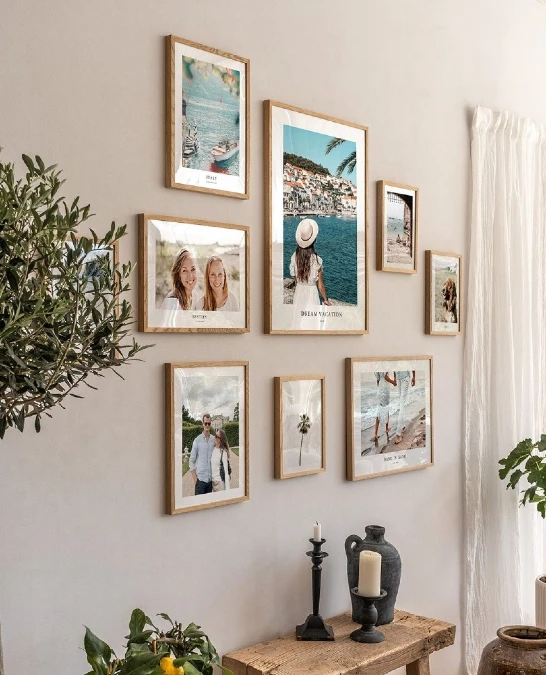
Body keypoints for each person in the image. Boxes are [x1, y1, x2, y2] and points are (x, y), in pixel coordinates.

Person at [289, 219, 332, 307]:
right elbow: (320, 286)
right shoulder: (317, 260)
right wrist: (325, 299)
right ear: (314, 240)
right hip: (312, 296)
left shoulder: (294, 257)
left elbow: (295, 278)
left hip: (298, 294)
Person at [189, 414, 215, 494]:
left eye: (209, 423)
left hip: (210, 481)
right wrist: (195, 480)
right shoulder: (197, 440)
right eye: (205, 423)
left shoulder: (214, 440)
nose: (207, 425)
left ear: (210, 424)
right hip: (200, 482)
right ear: (202, 424)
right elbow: (191, 461)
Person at [373, 372, 397, 446]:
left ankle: (376, 433)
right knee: (386, 409)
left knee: (380, 410)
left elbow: (378, 380)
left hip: (380, 388)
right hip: (385, 388)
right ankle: (385, 429)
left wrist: (380, 387)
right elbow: (386, 377)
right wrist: (393, 382)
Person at [395, 370, 416, 444]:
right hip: (404, 377)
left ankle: (403, 426)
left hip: (398, 377)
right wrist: (414, 376)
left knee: (401, 403)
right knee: (402, 405)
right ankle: (398, 435)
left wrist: (394, 378)